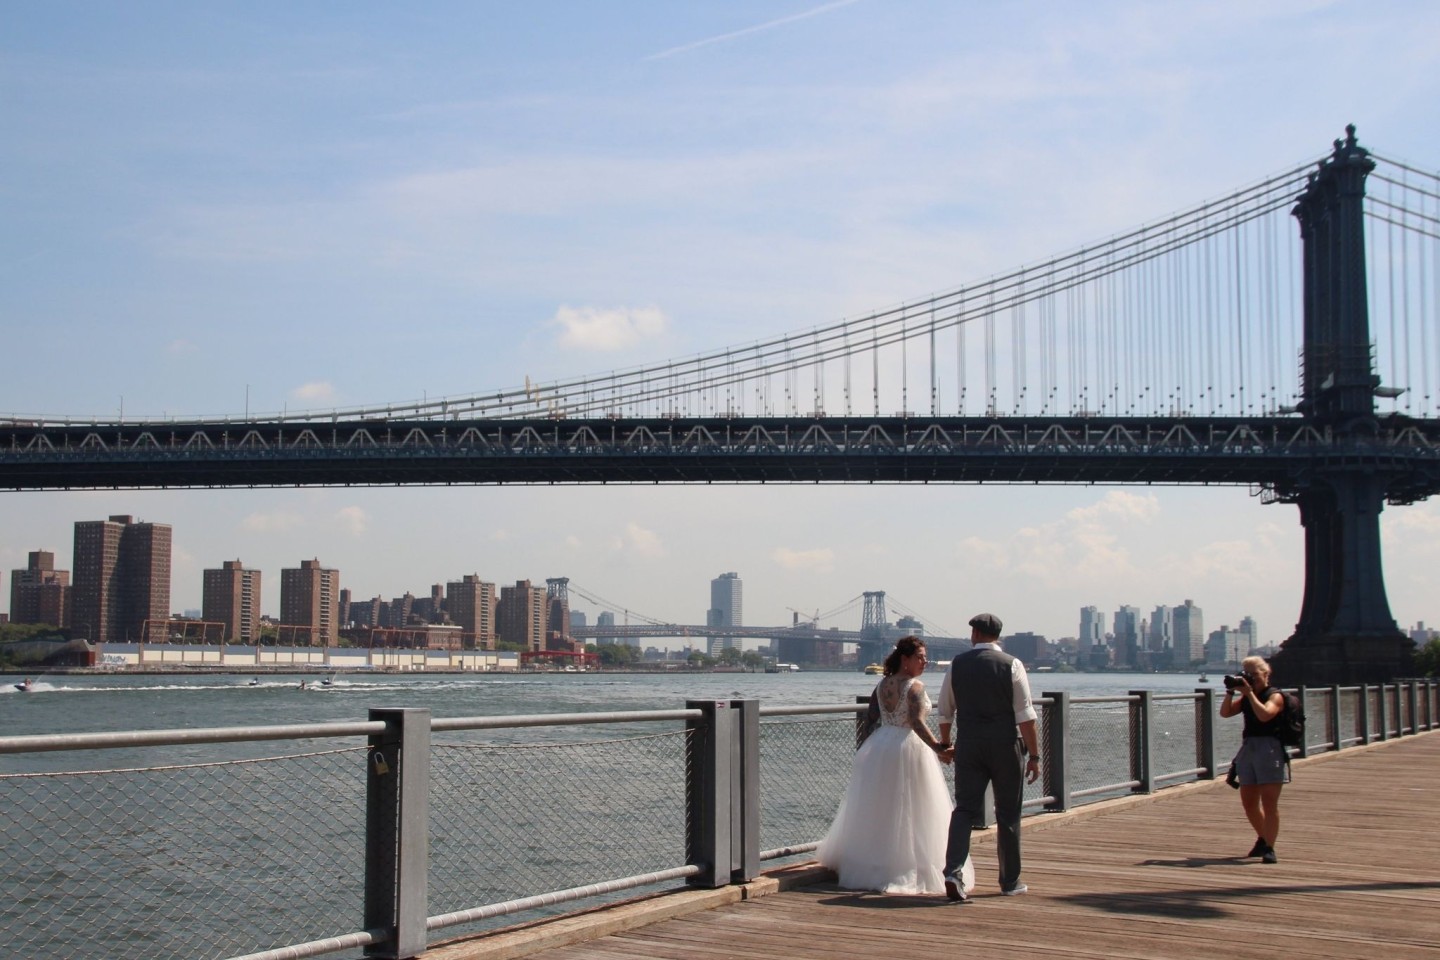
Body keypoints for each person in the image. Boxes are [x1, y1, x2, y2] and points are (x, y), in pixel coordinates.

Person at [817, 636, 973, 895]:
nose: (925, 661)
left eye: (925, 657)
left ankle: (874, 865)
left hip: (880, 745)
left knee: (880, 807)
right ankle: (910, 867)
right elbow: (916, 722)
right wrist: (938, 748)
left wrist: (868, 747)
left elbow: (871, 718)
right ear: (905, 659)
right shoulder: (915, 687)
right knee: (914, 807)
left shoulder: (881, 685)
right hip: (907, 747)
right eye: (920, 656)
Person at [936, 613, 1040, 902]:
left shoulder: (956, 665)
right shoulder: (1013, 665)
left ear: (975, 634)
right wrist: (1035, 755)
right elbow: (1026, 717)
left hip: (969, 745)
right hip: (1006, 745)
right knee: (1008, 814)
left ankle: (953, 872)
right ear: (997, 635)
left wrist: (946, 743)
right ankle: (1010, 881)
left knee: (964, 810)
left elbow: (945, 711)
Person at [1218, 655, 1288, 864]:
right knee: (1249, 803)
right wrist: (1231, 692)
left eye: (1255, 675)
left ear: (1266, 674)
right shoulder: (1248, 697)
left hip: (1270, 749)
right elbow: (1225, 713)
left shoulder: (1274, 696)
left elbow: (1265, 715)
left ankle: (1269, 848)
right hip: (1249, 748)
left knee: (1269, 803)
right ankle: (1263, 838)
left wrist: (1249, 694)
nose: (1251, 679)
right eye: (1247, 675)